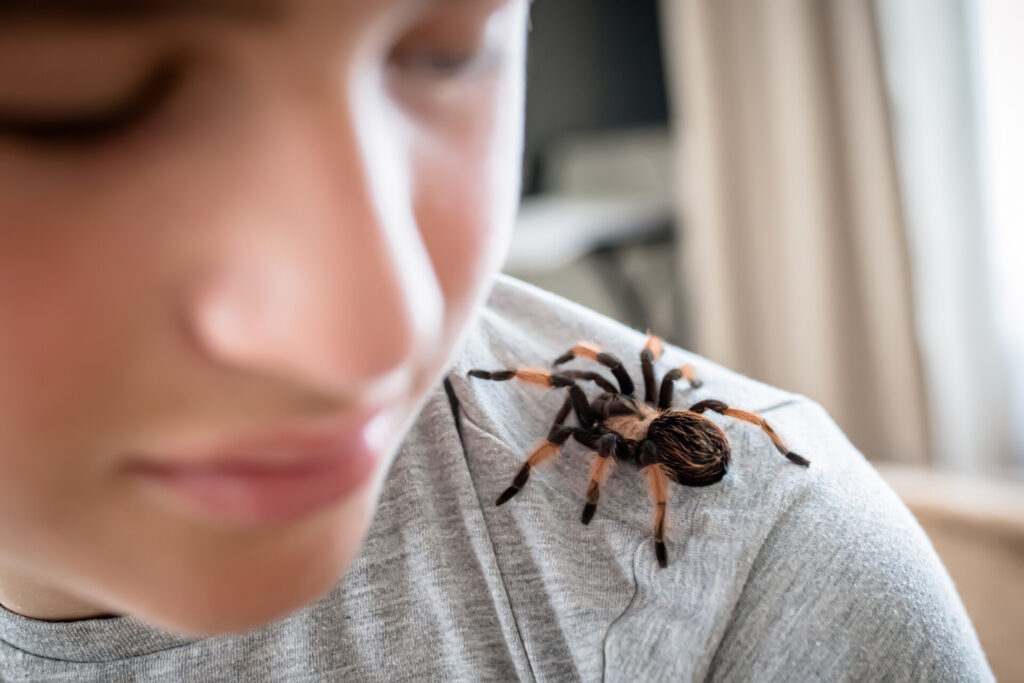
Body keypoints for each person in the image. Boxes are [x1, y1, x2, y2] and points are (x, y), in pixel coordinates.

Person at [0, 0, 993, 680]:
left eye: (451, 46)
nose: (383, 327)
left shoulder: (751, 586)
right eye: (78, 94)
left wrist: (662, 508)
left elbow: (636, 440)